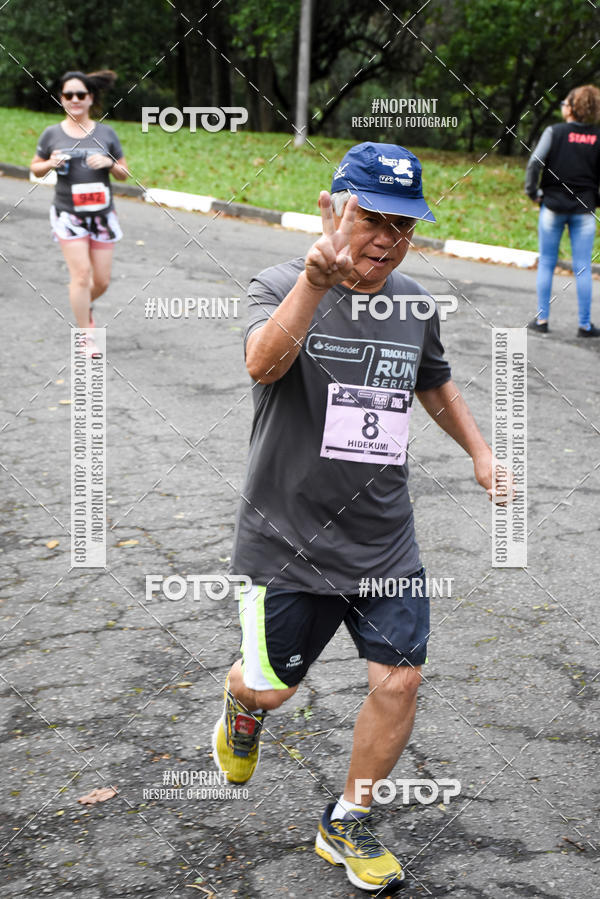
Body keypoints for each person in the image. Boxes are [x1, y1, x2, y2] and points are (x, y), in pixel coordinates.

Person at [212, 142, 507, 892]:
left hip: (383, 538)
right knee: (270, 687)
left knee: (400, 680)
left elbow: (433, 384)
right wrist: (314, 284)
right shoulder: (278, 282)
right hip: (285, 543)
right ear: (336, 206)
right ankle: (241, 703)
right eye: (372, 217)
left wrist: (478, 449)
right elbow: (261, 364)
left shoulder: (413, 305)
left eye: (403, 225)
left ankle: (347, 819)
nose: (387, 238)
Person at [30, 70, 129, 345]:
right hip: (67, 214)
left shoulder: (106, 133)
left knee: (101, 281)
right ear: (61, 99)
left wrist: (108, 164)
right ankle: (86, 334)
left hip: (102, 216)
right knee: (82, 275)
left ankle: (81, 300)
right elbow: (35, 168)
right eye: (68, 95)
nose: (75, 99)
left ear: (90, 98)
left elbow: (124, 172)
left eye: (80, 95)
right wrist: (50, 163)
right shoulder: (51, 134)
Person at [525, 84, 600, 337]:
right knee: (582, 267)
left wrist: (533, 192)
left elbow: (534, 162)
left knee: (547, 262)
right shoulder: (598, 137)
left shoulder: (555, 132)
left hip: (552, 207)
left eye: (564, 104)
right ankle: (585, 325)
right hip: (584, 210)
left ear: (571, 107)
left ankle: (542, 321)